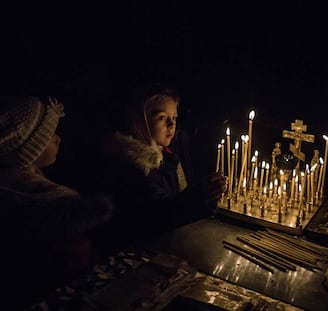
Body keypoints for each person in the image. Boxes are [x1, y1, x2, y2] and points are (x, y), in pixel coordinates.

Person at [0, 96, 114, 309]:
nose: (58, 139)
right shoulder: (55, 203)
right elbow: (75, 265)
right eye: (51, 135)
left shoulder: (11, 184)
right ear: (31, 148)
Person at [88, 83, 226, 251]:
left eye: (174, 117)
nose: (171, 125)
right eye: (162, 117)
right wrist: (200, 196)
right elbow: (156, 215)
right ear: (142, 121)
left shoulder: (167, 154)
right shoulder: (131, 162)